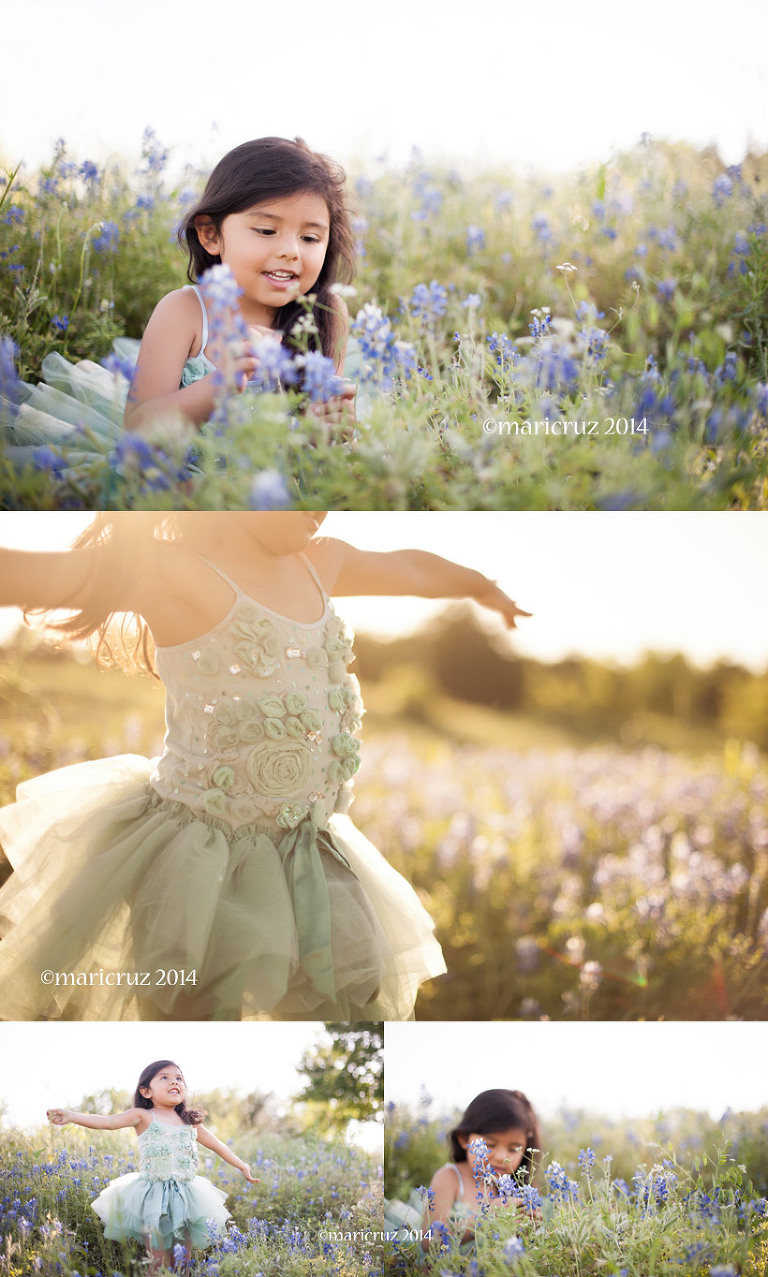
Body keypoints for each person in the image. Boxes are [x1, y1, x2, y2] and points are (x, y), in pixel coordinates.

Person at [0, 513, 531, 1022]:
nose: (321, 503)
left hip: (312, 852)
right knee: (191, 1008)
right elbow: (30, 575)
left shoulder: (321, 563)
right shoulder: (170, 570)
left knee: (353, 993)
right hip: (198, 861)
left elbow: (411, 570)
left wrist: (480, 585)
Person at [2, 137, 357, 468]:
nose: (290, 251)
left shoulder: (329, 314)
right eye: (266, 231)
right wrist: (221, 384)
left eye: (310, 237)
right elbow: (137, 431)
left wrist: (324, 430)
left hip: (276, 478)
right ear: (210, 234)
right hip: (182, 470)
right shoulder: (184, 312)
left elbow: (316, 449)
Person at [47, 1058, 256, 1274]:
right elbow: (107, 1122)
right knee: (158, 1263)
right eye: (164, 1078)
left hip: (186, 1196)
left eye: (179, 1078)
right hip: (153, 1196)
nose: (174, 1082)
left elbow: (218, 1146)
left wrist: (242, 1165)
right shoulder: (143, 1116)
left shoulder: (189, 1121)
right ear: (146, 1092)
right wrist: (72, 1116)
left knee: (182, 1260)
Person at [385, 1088, 541, 1252]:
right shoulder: (449, 1178)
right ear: (464, 1139)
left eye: (514, 1148)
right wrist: (485, 1219)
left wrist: (525, 1229)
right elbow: (430, 1242)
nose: (502, 1156)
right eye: (490, 1145)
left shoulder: (509, 1187)